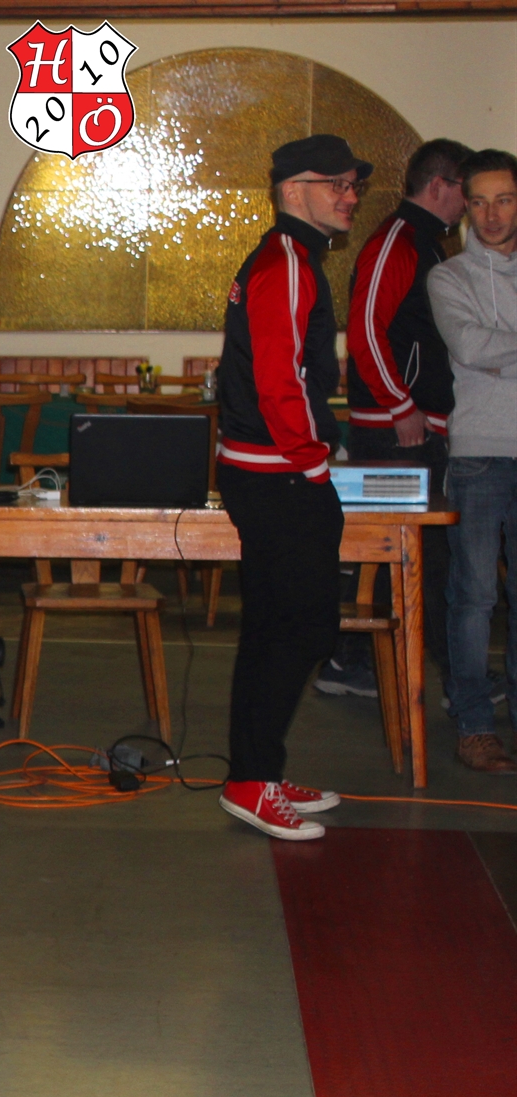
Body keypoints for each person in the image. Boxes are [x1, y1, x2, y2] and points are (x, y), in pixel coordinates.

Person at [213, 135, 367, 839]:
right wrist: (312, 464)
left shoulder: (290, 258)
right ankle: (252, 780)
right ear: (293, 189)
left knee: (275, 626)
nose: (350, 196)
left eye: (353, 184)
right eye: (336, 183)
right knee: (302, 626)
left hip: (267, 471)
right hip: (278, 474)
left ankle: (257, 774)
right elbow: (283, 381)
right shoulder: (286, 263)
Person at [321, 138, 471, 703]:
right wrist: (401, 407)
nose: (471, 207)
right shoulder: (397, 241)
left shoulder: (424, 242)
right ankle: (449, 678)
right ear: (439, 186)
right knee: (412, 554)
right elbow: (365, 330)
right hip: (395, 427)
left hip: (412, 423)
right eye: (467, 193)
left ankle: (354, 661)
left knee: (405, 553)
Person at [429, 149, 517, 774]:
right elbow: (468, 345)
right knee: (474, 598)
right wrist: (488, 351)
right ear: (465, 206)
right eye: (479, 202)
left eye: (504, 200)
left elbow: (490, 350)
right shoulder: (449, 277)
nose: (491, 215)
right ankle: (475, 726)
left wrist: (497, 352)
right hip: (479, 454)